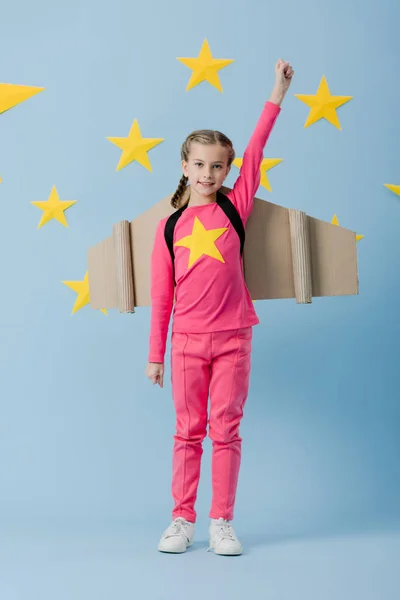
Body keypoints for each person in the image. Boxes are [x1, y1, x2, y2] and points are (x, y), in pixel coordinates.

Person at [145, 59, 294, 555]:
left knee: (225, 430)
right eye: (200, 164)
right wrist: (156, 355)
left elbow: (257, 148)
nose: (209, 173)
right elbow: (161, 298)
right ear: (184, 166)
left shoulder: (236, 205)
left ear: (228, 170)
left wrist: (277, 92)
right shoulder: (168, 230)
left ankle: (221, 521)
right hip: (185, 343)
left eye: (218, 165)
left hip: (234, 338)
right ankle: (181, 518)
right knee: (187, 432)